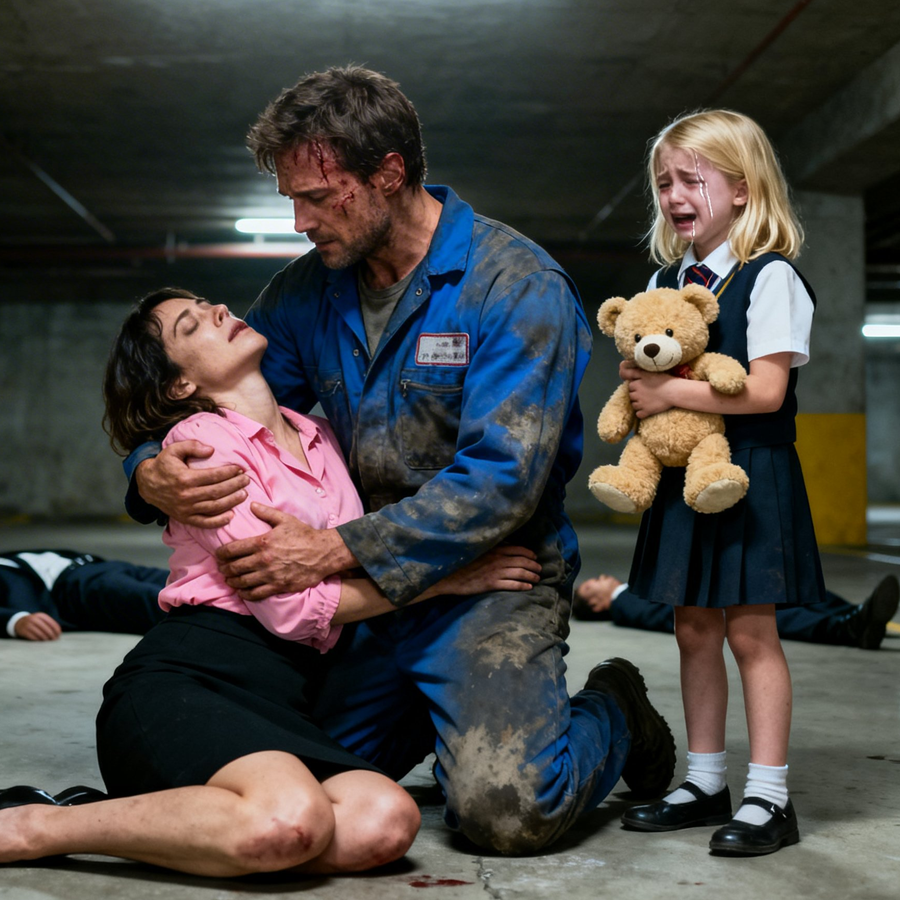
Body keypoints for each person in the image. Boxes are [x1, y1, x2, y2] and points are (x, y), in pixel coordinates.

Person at [122, 66, 676, 855]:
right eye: (291, 198)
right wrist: (148, 469)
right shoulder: (305, 294)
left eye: (318, 196)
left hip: (494, 577)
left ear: (388, 174)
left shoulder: (514, 287)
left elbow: (501, 482)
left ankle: (614, 708)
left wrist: (331, 549)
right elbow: (215, 396)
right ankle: (453, 715)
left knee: (505, 812)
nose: (299, 220)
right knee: (293, 788)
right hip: (368, 597)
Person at [0, 288, 542, 877]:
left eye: (209, 305)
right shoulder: (201, 448)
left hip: (289, 692)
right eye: (191, 326)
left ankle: (190, 818)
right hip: (195, 677)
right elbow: (293, 610)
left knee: (382, 821)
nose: (217, 312)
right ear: (180, 384)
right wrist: (438, 580)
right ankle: (38, 825)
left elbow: (348, 561)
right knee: (287, 821)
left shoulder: (318, 437)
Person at [612, 110, 824, 856]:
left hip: (750, 471)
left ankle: (770, 796)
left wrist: (669, 396)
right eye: (664, 181)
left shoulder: (771, 277)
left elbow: (765, 392)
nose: (674, 194)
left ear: (742, 188)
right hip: (679, 477)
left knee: (751, 632)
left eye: (692, 179)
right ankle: (706, 780)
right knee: (693, 625)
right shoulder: (665, 281)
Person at [574, 573, 900, 650]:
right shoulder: (624, 603)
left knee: (795, 595)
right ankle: (848, 627)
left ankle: (859, 616)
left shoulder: (631, 591)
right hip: (714, 609)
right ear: (598, 605)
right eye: (591, 586)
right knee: (784, 618)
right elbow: (663, 616)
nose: (599, 578)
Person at [0, 549, 166, 641]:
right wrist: (15, 621)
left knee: (188, 579)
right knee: (164, 603)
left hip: (99, 565)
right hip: (71, 587)